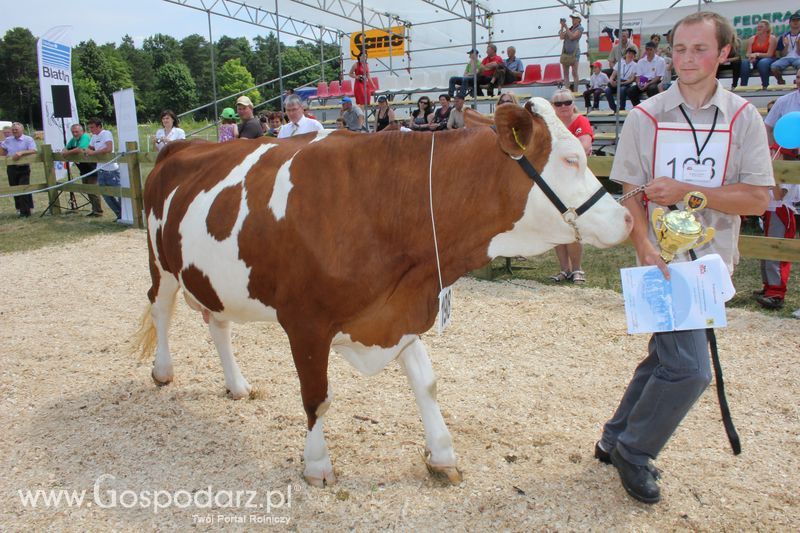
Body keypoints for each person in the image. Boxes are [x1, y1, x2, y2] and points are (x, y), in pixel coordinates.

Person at [596, 11, 773, 504]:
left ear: (723, 54)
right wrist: (644, 245)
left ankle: (615, 439)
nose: (687, 59)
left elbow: (758, 199)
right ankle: (635, 449)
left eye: (699, 49)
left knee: (666, 358)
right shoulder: (644, 115)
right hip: (659, 262)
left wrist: (689, 190)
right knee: (690, 369)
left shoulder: (743, 118)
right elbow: (629, 190)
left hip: (713, 263)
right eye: (679, 49)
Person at [756, 74, 800, 310]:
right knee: (768, 245)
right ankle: (769, 285)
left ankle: (776, 291)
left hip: (782, 205)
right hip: (773, 205)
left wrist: (775, 185)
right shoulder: (776, 151)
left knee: (777, 246)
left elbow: (781, 191)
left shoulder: (787, 158)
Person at [548, 88, 594, 284]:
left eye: (567, 102)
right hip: (555, 181)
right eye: (559, 103)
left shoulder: (580, 121)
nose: (564, 106)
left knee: (573, 228)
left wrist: (559, 155)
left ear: (573, 103)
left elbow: (583, 146)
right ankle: (564, 269)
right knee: (557, 227)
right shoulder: (551, 125)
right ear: (553, 107)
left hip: (574, 182)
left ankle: (577, 268)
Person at [86, 118, 123, 221]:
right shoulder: (94, 136)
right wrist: (88, 151)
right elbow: (89, 147)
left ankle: (125, 214)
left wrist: (94, 153)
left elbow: (109, 148)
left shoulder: (106, 133)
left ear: (99, 126)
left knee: (119, 193)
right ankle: (119, 214)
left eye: (92, 127)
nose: (91, 130)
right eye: (89, 128)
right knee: (106, 194)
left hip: (111, 170)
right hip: (101, 169)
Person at [62, 123, 102, 217]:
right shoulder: (74, 140)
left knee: (93, 190)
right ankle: (94, 209)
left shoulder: (85, 137)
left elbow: (81, 149)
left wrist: (67, 153)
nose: (75, 134)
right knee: (87, 189)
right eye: (73, 132)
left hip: (92, 167)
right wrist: (65, 151)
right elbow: (66, 148)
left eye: (77, 132)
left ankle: (98, 211)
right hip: (83, 169)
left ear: (82, 131)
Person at [0, 122, 37, 217]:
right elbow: (3, 152)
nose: (14, 131)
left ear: (22, 130)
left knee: (23, 188)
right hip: (11, 168)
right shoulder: (8, 140)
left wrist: (21, 153)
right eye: (13, 129)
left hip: (23, 167)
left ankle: (26, 212)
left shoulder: (28, 139)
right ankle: (19, 209)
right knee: (14, 188)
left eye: (16, 129)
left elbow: (33, 150)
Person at [627, 41, 666, 106]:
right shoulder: (641, 61)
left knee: (652, 89)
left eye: (651, 50)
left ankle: (653, 108)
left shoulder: (660, 60)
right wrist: (639, 84)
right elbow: (638, 76)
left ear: (655, 50)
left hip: (654, 81)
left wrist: (647, 84)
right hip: (643, 81)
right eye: (647, 49)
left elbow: (658, 77)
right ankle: (639, 107)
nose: (648, 52)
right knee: (631, 91)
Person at [741, 20, 777, 89]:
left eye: (761, 27)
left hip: (769, 58)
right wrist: (751, 56)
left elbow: (769, 54)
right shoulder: (752, 38)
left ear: (767, 28)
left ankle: (765, 85)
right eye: (758, 27)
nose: (759, 28)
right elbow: (748, 54)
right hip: (755, 58)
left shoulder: (772, 38)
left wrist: (757, 54)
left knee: (762, 63)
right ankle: (743, 86)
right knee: (745, 63)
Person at [771, 11, 800, 85]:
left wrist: (798, 45)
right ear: (790, 23)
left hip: (798, 58)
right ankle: (780, 81)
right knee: (774, 66)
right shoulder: (784, 36)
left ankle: (797, 81)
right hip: (786, 58)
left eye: (798, 20)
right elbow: (782, 55)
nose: (795, 22)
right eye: (793, 20)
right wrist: (786, 46)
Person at [605, 47, 638, 112]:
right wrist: (611, 81)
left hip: (626, 83)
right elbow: (613, 75)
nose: (630, 55)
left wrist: (621, 83)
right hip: (618, 81)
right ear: (626, 54)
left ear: (634, 56)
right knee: (607, 90)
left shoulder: (635, 65)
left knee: (622, 90)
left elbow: (631, 79)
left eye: (632, 54)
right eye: (629, 53)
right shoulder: (620, 63)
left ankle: (622, 108)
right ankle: (614, 108)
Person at [559, 13, 584, 92]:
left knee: (574, 72)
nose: (573, 20)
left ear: (579, 20)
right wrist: (562, 26)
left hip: (574, 53)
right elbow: (561, 37)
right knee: (565, 73)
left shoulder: (580, 28)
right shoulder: (570, 28)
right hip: (566, 53)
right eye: (572, 18)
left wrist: (566, 27)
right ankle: (567, 90)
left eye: (575, 18)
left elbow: (572, 37)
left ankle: (575, 91)